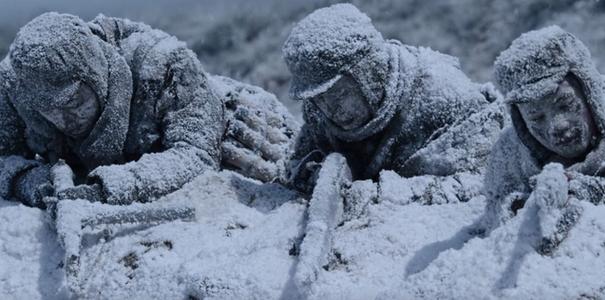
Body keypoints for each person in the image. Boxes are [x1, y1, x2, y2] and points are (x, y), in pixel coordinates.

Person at [0, 12, 295, 208]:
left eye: (74, 101)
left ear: (96, 75)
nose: (64, 120)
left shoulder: (165, 63)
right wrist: (33, 182)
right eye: (49, 110)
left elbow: (196, 155)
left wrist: (107, 188)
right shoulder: (16, 85)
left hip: (220, 119)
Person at [282, 3, 504, 196]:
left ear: (369, 73)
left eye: (340, 94)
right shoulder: (317, 111)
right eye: (319, 99)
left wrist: (379, 193)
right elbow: (299, 162)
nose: (331, 110)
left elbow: (486, 177)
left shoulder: (445, 95)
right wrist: (310, 174)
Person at [484, 26, 605, 247]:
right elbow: (496, 218)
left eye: (566, 104)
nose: (556, 126)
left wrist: (590, 191)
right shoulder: (507, 156)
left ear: (589, 91)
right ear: (520, 121)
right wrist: (526, 207)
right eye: (535, 118)